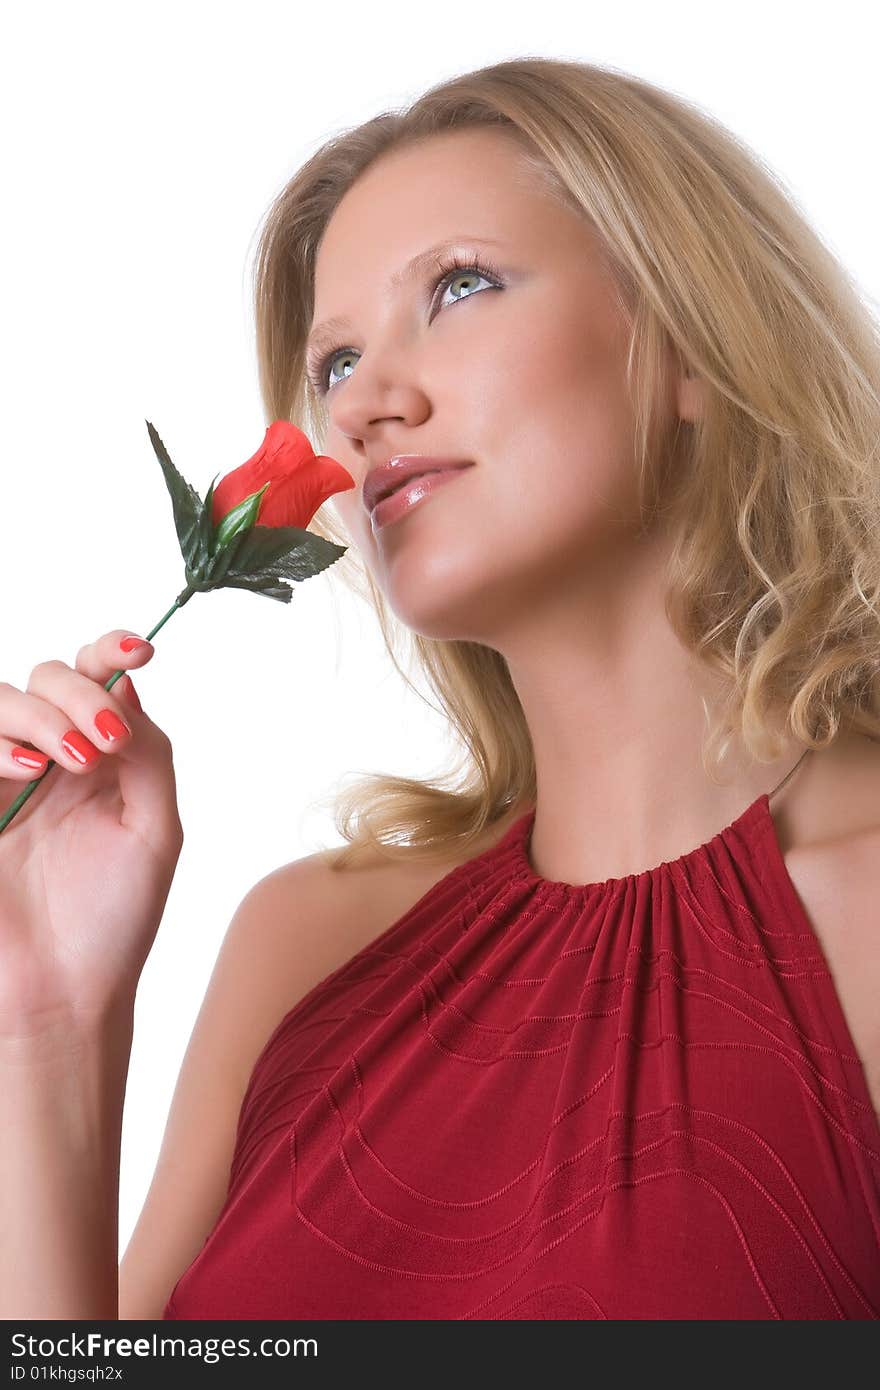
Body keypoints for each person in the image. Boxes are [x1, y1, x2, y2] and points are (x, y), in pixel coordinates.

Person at [2, 57, 879, 1321]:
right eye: (334, 361)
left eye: (459, 287)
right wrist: (44, 1024)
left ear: (691, 346)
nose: (363, 404)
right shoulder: (306, 945)